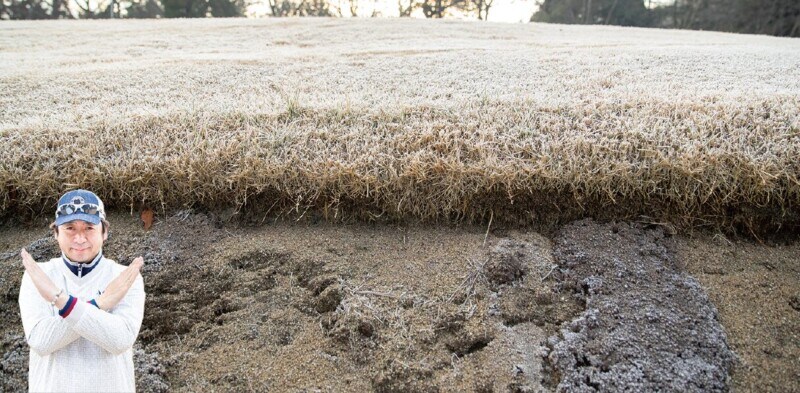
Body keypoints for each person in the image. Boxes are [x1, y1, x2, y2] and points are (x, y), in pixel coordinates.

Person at [18, 189, 146, 392]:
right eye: (69, 228)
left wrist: (61, 301)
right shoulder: (39, 275)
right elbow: (41, 341)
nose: (79, 238)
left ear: (104, 232)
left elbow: (119, 340)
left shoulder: (125, 277)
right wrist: (100, 304)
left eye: (89, 228)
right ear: (56, 233)